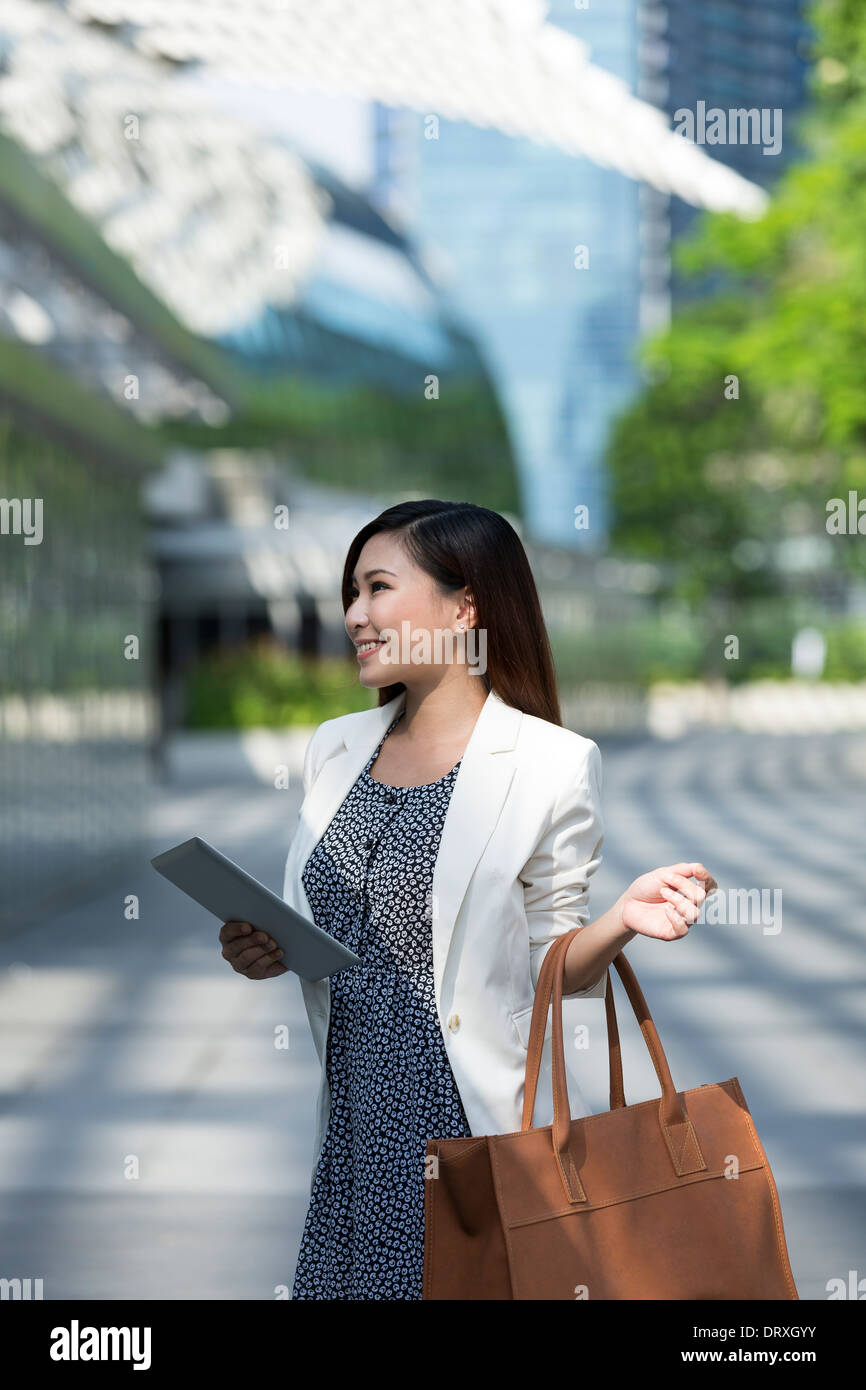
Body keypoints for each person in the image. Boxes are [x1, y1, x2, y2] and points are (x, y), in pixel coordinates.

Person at [218, 499, 717, 1300]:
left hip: (469, 1136)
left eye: (379, 588)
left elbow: (556, 969)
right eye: (352, 593)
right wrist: (260, 950)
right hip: (350, 1136)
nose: (356, 615)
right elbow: (326, 933)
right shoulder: (335, 747)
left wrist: (621, 922)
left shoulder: (552, 764)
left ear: (466, 605)